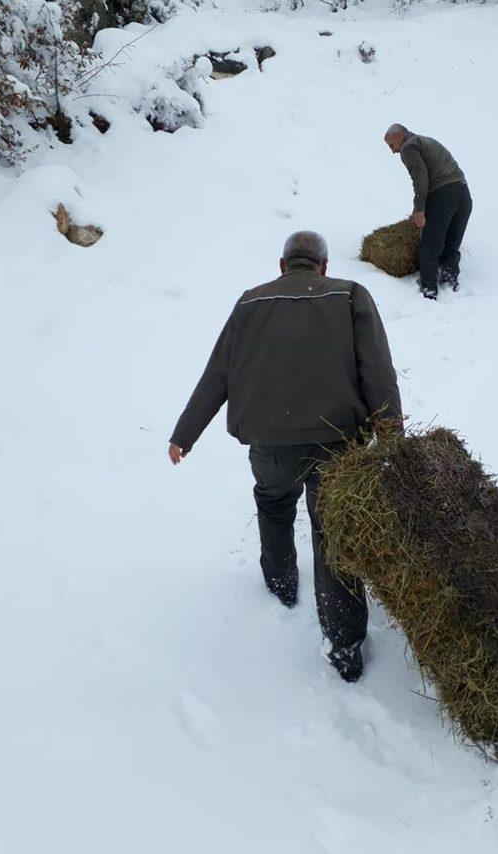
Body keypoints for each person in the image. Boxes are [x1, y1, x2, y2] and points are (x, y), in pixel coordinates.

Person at [168, 231, 402, 682]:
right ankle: (345, 647)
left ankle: (280, 588)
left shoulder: (250, 303)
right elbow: (376, 368)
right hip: (337, 442)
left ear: (282, 264)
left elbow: (218, 372)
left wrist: (185, 433)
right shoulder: (350, 295)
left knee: (274, 505)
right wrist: (391, 436)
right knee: (334, 533)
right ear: (324, 265)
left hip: (270, 442)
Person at [384, 123, 472, 300]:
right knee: (451, 244)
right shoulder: (427, 141)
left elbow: (420, 178)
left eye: (392, 145)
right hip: (463, 194)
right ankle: (450, 280)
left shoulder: (409, 147)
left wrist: (419, 209)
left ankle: (429, 290)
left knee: (430, 246)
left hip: (443, 195)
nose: (393, 151)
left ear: (401, 136)